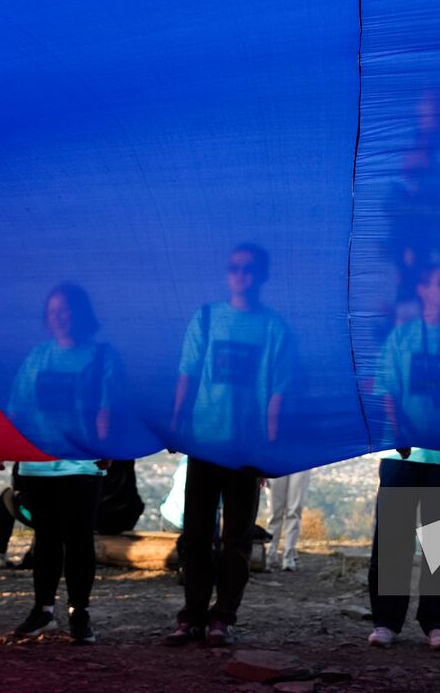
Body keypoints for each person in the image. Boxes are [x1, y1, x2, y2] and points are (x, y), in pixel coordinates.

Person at [164, 244, 296, 647]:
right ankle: (192, 615)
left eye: (248, 269)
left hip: (246, 449)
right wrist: (176, 424)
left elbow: (278, 390)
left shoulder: (273, 327)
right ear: (226, 274)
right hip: (204, 443)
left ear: (261, 276)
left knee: (237, 538)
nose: (240, 275)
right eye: (234, 268)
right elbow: (187, 374)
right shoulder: (206, 318)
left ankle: (223, 616)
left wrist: (269, 446)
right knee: (196, 534)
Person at [367, 264, 440, 652]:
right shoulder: (401, 337)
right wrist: (401, 430)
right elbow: (386, 389)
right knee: (393, 537)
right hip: (402, 452)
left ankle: (436, 624)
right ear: (423, 289)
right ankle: (386, 621)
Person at [3, 283, 124, 644]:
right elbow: (18, 408)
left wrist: (105, 446)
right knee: (46, 539)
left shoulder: (103, 355)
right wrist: (0, 446)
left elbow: (108, 407)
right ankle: (43, 611)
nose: (59, 317)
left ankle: (79, 613)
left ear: (81, 314)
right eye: (53, 311)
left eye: (66, 310)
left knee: (79, 539)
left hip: (83, 466)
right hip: (38, 465)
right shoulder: (38, 356)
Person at [265, 468, 311, 571]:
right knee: (274, 510)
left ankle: (289, 554)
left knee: (294, 510)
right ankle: (271, 553)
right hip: (276, 461)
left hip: (300, 463)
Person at [0, 465, 34, 570]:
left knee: (6, 495)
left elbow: (17, 487)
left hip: (35, 513)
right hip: (68, 514)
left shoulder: (26, 461)